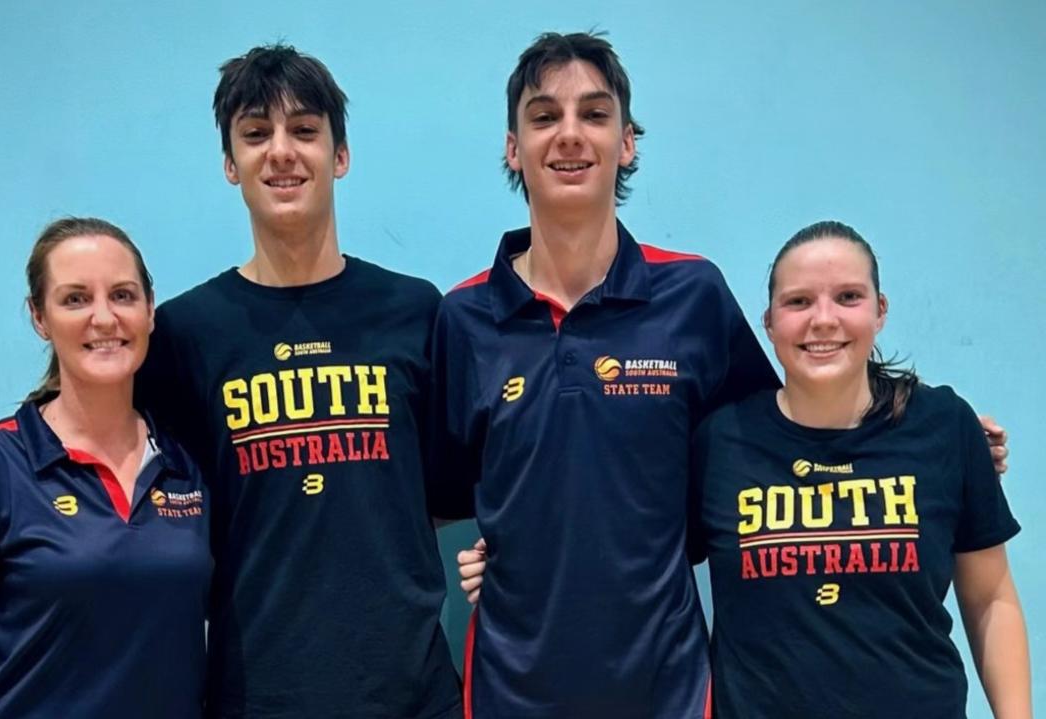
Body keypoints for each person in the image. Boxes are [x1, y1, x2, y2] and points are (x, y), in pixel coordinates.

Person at [430, 33, 1010, 719]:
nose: (568, 135)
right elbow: (443, 495)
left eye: (593, 113)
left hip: (671, 690)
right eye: (543, 116)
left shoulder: (693, 294)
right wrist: (501, 547)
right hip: (509, 688)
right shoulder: (462, 318)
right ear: (511, 147)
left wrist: (923, 434)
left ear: (627, 143)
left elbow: (785, 427)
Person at [0, 46, 462, 719]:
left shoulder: (414, 310)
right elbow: (89, 438)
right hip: (257, 695)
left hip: (413, 692)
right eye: (256, 134)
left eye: (305, 131)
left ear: (339, 155)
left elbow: (440, 486)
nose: (280, 152)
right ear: (230, 164)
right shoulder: (185, 333)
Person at [456, 221, 1031, 718]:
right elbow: (632, 531)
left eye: (849, 297)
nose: (823, 320)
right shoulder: (723, 441)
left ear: (881, 311)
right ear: (769, 323)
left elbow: (992, 599)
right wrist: (516, 561)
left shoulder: (944, 428)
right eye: (799, 302)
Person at [0, 217, 212, 718]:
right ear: (39, 316)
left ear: (150, 310)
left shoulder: (188, 464)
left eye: (122, 295)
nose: (103, 318)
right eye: (75, 299)